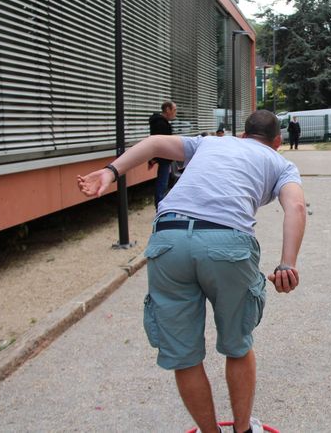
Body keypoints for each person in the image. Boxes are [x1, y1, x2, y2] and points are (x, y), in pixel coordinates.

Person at [77, 110, 307, 433]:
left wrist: (110, 172)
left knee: (184, 355)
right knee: (237, 345)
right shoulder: (280, 163)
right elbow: (295, 207)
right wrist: (287, 263)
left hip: (168, 237)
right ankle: (242, 430)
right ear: (278, 142)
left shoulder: (211, 143)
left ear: (242, 135)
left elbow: (156, 142)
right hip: (227, 240)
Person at [149, 101, 177, 210]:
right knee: (162, 183)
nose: (175, 113)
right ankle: (160, 207)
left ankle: (160, 205)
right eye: (174, 110)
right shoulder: (160, 123)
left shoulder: (161, 122)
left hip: (164, 157)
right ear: (167, 110)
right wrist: (154, 158)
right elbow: (158, 141)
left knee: (163, 182)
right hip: (164, 158)